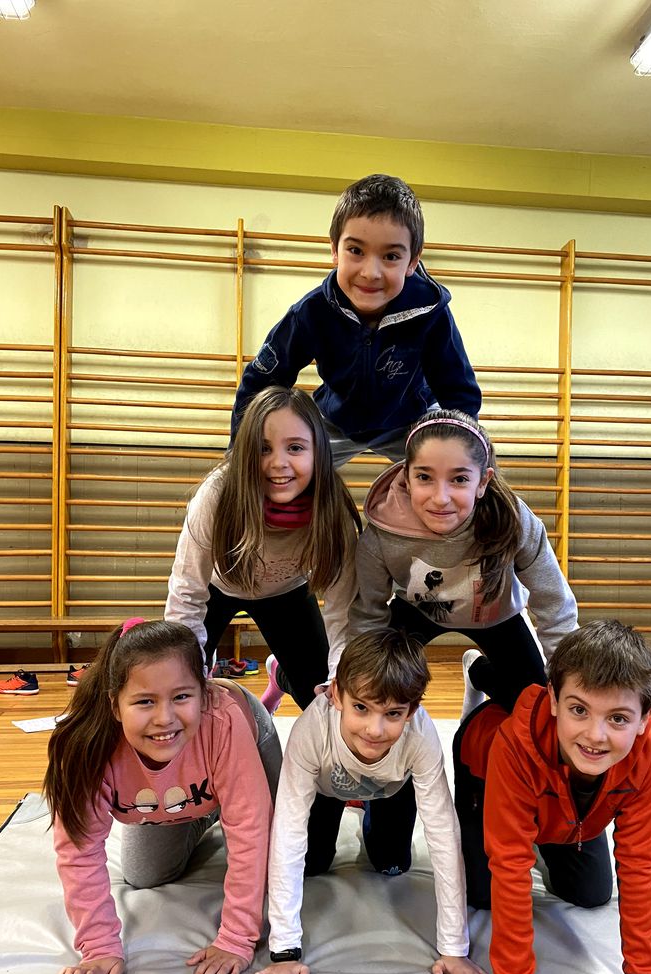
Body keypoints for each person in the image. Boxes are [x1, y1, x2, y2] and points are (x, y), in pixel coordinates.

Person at [455, 620, 651, 974]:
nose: (595, 735)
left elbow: (639, 863)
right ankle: (480, 675)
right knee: (482, 895)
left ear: (644, 720)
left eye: (618, 718)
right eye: (579, 710)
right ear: (553, 700)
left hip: (567, 809)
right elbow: (510, 863)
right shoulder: (513, 744)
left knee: (591, 893)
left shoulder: (647, 752)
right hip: (483, 769)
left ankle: (546, 832)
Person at [248, 629, 488, 974]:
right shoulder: (312, 729)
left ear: (412, 711)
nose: (375, 730)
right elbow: (288, 832)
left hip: (391, 787)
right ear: (336, 695)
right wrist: (284, 951)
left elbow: (444, 835)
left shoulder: (419, 736)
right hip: (327, 787)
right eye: (361, 707)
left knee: (392, 864)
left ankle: (364, 804)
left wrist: (454, 949)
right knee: (313, 864)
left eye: (392, 714)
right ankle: (281, 675)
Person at [44, 618, 280, 974]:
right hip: (187, 789)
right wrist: (99, 947)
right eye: (144, 701)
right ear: (115, 705)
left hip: (249, 728)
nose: (164, 718)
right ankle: (213, 804)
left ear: (203, 692)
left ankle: (234, 773)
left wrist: (237, 937)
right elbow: (78, 852)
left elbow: (251, 831)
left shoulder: (222, 721)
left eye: (182, 697)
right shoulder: (86, 748)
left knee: (287, 856)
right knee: (144, 874)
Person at [230, 174, 481, 465]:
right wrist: (238, 456)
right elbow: (261, 383)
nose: (370, 273)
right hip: (334, 423)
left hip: (409, 423)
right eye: (356, 251)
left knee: (460, 470)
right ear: (335, 250)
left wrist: (469, 463)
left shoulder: (430, 313)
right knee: (272, 467)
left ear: (412, 261)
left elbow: (458, 391)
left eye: (390, 256)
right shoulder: (312, 312)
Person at [349, 408, 578, 714]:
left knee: (533, 707)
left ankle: (478, 673)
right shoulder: (382, 532)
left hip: (496, 615)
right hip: (418, 611)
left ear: (482, 482)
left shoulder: (514, 520)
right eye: (424, 477)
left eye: (459, 479)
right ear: (406, 478)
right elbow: (368, 613)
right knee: (379, 691)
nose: (440, 498)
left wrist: (571, 679)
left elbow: (554, 605)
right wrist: (359, 675)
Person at [166, 386, 360, 711]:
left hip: (286, 592)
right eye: (263, 448)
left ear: (318, 453)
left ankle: (280, 676)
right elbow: (186, 593)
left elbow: (343, 610)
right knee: (185, 687)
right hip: (217, 589)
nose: (278, 463)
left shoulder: (333, 511)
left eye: (295, 447)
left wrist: (340, 674)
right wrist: (185, 675)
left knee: (320, 700)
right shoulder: (217, 495)